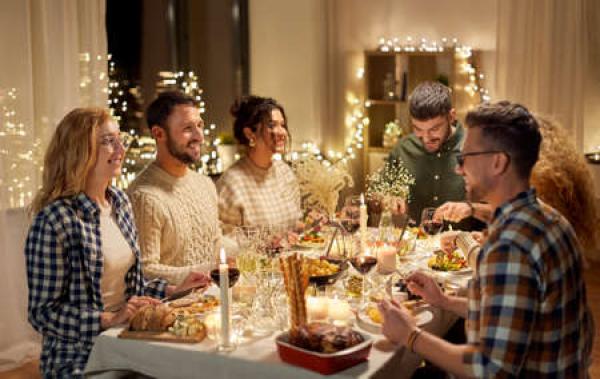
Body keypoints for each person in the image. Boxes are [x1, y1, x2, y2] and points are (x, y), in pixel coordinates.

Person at [379, 101, 593, 377]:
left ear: (498, 162)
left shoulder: (509, 246)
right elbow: (513, 314)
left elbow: (490, 369)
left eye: (465, 157)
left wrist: (410, 335)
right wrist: (443, 300)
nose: (459, 168)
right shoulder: (549, 217)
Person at [25, 108, 208, 378]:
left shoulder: (119, 202)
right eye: (108, 141)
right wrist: (107, 319)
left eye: (119, 139)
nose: (120, 148)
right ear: (79, 150)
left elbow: (130, 291)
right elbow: (42, 314)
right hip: (79, 354)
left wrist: (175, 288)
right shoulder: (55, 219)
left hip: (128, 338)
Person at [127, 91, 221, 285]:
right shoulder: (144, 196)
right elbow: (146, 270)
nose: (199, 136)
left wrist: (257, 247)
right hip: (173, 309)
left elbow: (216, 242)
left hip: (211, 302)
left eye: (199, 125)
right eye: (188, 128)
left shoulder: (205, 184)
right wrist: (206, 271)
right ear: (159, 134)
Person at [387, 81, 486, 229]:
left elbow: (503, 211)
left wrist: (470, 208)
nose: (426, 138)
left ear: (451, 117)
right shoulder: (403, 148)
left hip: (464, 248)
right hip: (416, 248)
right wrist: (388, 199)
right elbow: (376, 195)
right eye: (418, 129)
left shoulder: (478, 148)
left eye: (435, 129)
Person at [216, 95, 302, 233]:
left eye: (283, 125)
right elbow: (225, 240)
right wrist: (270, 246)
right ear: (250, 134)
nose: (282, 132)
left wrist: (312, 224)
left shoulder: (284, 172)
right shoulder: (232, 184)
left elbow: (295, 223)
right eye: (272, 125)